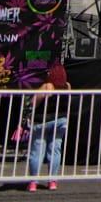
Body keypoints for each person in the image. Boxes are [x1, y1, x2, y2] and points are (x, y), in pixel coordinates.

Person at [26, 63, 70, 192]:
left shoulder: (47, 86)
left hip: (42, 120)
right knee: (55, 149)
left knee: (37, 151)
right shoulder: (67, 86)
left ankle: (33, 182)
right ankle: (52, 181)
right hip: (60, 120)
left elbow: (34, 102)